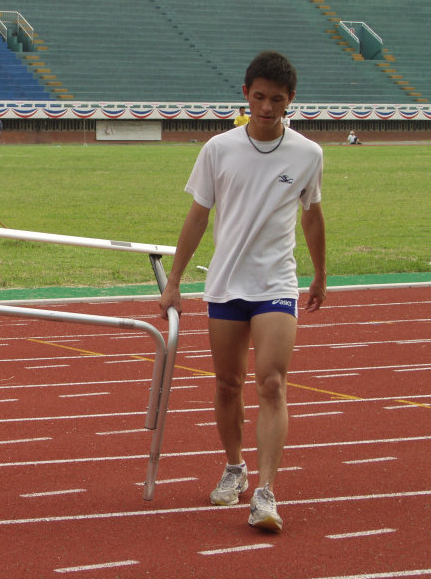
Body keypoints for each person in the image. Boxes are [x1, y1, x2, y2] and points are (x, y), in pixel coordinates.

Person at [158, 51, 326, 533]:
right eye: (260, 97)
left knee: (271, 382)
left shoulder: (308, 154)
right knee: (228, 384)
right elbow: (198, 215)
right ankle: (235, 467)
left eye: (278, 99)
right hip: (226, 284)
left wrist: (320, 274)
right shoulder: (219, 149)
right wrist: (174, 281)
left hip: (276, 283)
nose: (268, 108)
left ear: (291, 100)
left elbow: (312, 216)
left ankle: (266, 493)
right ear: (246, 95)